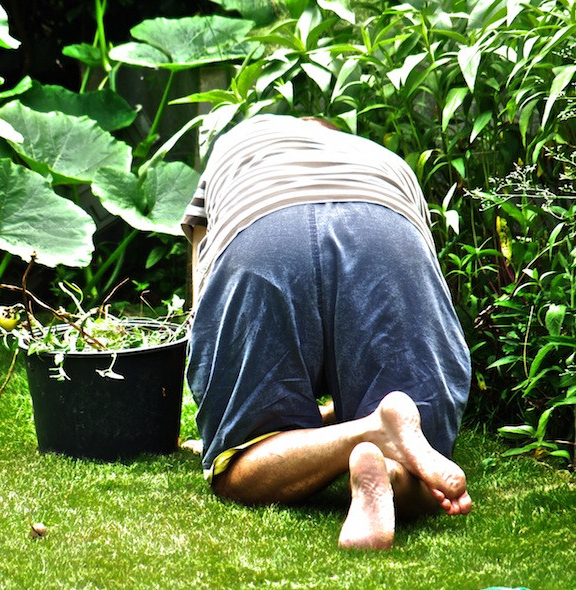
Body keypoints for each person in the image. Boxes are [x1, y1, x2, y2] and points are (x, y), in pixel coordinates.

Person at [181, 114, 472, 550]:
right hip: (386, 228)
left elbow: (203, 276)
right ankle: (390, 466)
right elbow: (419, 267)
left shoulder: (239, 141)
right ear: (335, 135)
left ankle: (368, 433)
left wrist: (223, 413)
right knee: (424, 450)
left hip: (263, 231)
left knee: (237, 467)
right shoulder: (386, 162)